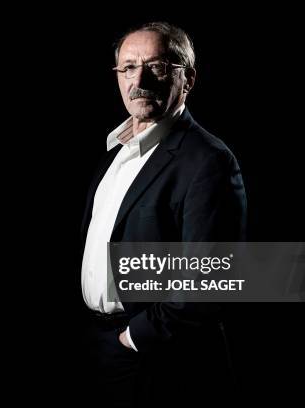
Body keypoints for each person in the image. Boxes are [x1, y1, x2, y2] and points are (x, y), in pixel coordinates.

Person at [80, 21, 247, 406]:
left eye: (156, 67)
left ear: (186, 79)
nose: (140, 79)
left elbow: (210, 278)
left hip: (155, 358)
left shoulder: (209, 161)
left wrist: (132, 339)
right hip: (99, 344)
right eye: (128, 67)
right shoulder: (116, 152)